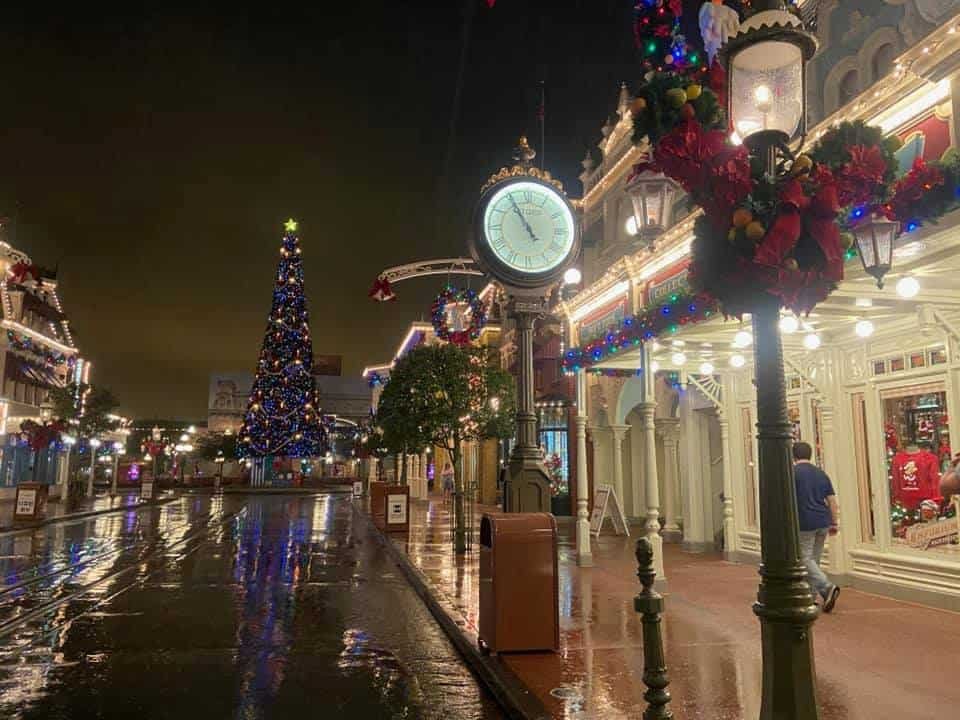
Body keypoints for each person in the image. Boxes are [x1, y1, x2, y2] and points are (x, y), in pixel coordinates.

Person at [793, 441, 841, 613]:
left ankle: (826, 587)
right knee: (814, 559)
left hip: (805, 521)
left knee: (804, 559)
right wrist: (834, 522)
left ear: (794, 455)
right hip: (823, 520)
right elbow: (832, 501)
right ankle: (811, 597)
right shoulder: (821, 474)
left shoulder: (792, 473)